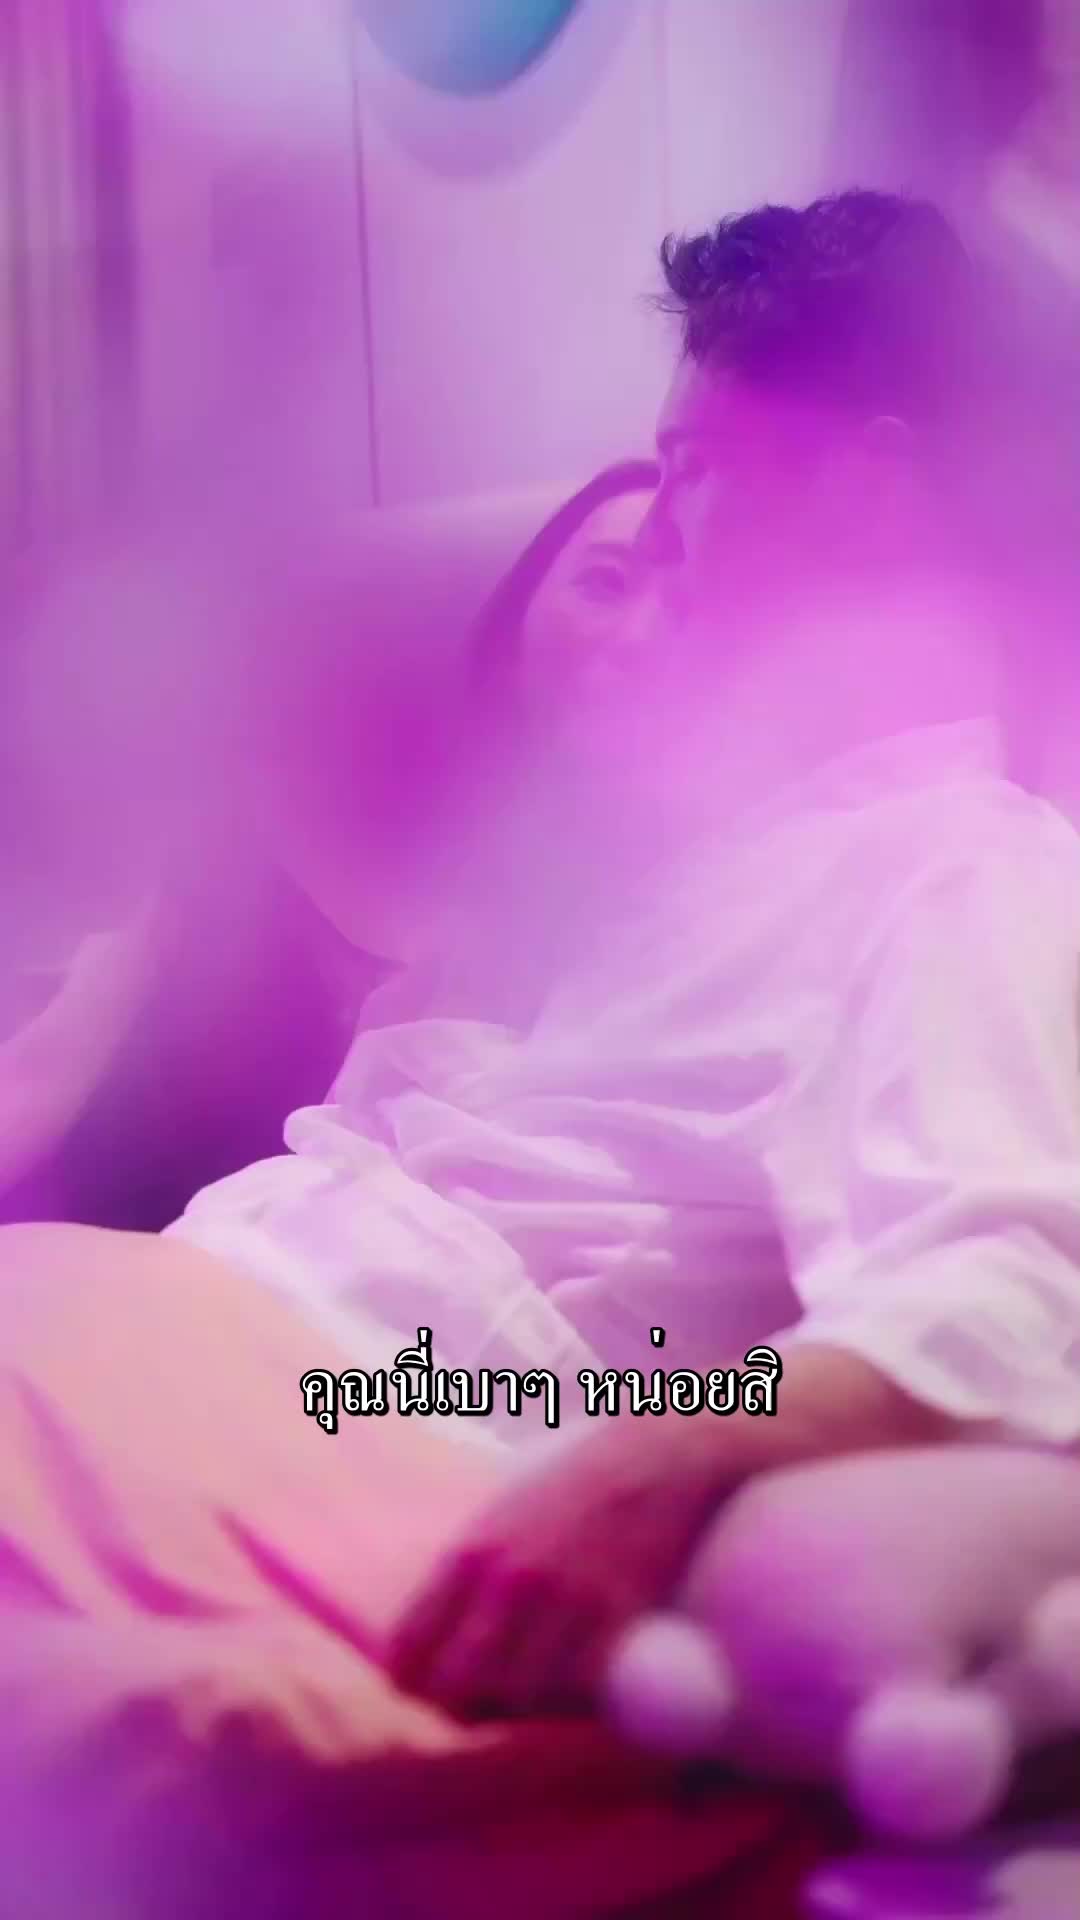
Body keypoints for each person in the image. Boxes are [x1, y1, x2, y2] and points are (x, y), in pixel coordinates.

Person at [1, 192, 1079, 1915]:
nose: (661, 519)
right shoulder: (646, 879)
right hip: (190, 1318)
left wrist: (652, 1458)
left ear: (867, 490)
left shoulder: (963, 867)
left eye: (694, 469)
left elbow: (1005, 1273)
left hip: (365, 1398)